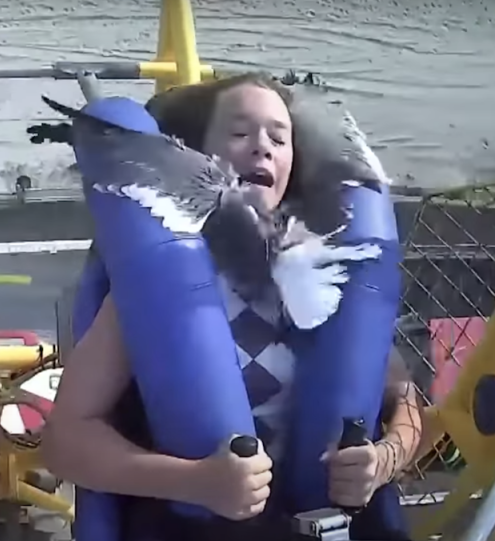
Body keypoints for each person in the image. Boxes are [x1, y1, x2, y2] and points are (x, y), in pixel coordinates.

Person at [41, 73, 422, 539]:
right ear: (199, 157)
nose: (263, 147)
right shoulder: (158, 286)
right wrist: (195, 482)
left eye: (279, 139)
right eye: (240, 133)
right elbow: (64, 442)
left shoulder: (332, 268)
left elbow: (405, 403)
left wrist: (385, 460)